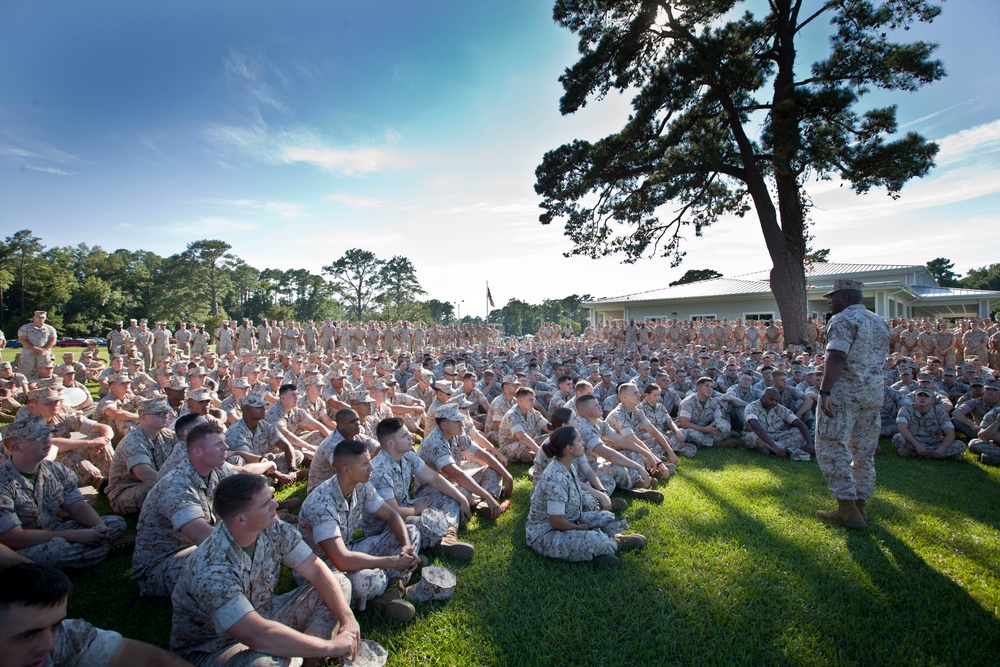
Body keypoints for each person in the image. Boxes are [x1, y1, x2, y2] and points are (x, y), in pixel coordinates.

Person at [169, 473, 361, 666]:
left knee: (338, 582)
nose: (275, 505)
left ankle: (311, 657)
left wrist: (348, 618)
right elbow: (256, 636)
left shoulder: (270, 527)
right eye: (265, 504)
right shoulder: (212, 568)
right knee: (263, 664)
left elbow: (315, 568)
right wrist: (331, 647)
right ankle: (315, 650)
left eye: (272, 498)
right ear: (240, 520)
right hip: (216, 647)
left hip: (263, 614)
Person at [297, 439, 422, 621]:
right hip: (323, 569)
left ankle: (393, 590)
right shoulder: (322, 504)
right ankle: (385, 585)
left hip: (348, 550)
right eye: (365, 464)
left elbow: (392, 515)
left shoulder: (361, 485)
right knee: (369, 580)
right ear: (347, 470)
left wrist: (405, 547)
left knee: (411, 532)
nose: (371, 467)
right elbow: (341, 561)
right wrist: (393, 562)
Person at [0, 563, 191, 666]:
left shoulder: (63, 637)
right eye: (26, 636)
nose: (49, 645)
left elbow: (154, 660)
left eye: (55, 626)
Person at [0, 416, 127, 569]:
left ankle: (91, 549)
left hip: (56, 529)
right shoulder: (3, 482)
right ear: (17, 448)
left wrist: (99, 527)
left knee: (114, 523)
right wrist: (74, 536)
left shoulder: (56, 470)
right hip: (23, 545)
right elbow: (12, 538)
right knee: (57, 552)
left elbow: (78, 506)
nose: (47, 440)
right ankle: (105, 549)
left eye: (47, 434)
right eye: (38, 437)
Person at [815, 280, 891, 528]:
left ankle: (846, 508)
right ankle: (861, 505)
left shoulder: (842, 320)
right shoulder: (879, 321)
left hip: (844, 395)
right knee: (863, 450)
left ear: (845, 297)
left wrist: (825, 391)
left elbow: (836, 355)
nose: (830, 301)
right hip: (871, 394)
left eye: (833, 297)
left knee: (832, 444)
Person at [131, 423, 236, 597]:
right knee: (223, 561)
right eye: (219, 444)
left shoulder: (217, 469)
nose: (226, 447)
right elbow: (201, 536)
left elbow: (244, 499)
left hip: (192, 548)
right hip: (160, 566)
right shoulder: (176, 485)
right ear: (197, 452)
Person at [525, 426, 646, 568]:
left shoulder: (567, 466)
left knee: (607, 517)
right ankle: (608, 544)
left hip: (569, 520)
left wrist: (582, 520)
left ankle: (602, 544)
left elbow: (573, 507)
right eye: (579, 441)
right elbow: (556, 522)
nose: (582, 443)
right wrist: (580, 528)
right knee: (595, 539)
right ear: (569, 448)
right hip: (546, 535)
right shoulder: (555, 479)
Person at [368, 418, 474, 560]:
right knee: (428, 522)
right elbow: (393, 513)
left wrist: (461, 499)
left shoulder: (407, 455)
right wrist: (417, 510)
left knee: (451, 495)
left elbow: (435, 479)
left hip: (406, 507)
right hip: (385, 525)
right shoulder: (380, 471)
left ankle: (448, 535)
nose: (411, 437)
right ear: (390, 443)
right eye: (405, 436)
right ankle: (438, 539)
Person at [105, 397, 177, 514]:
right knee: (153, 490)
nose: (165, 416)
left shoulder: (165, 434)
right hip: (125, 493)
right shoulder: (133, 441)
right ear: (143, 417)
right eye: (159, 413)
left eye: (166, 413)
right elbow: (147, 476)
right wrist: (179, 485)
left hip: (152, 483)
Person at [892, 387, 965, 460]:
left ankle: (914, 453)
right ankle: (943, 456)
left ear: (932, 400)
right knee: (898, 438)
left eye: (926, 396)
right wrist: (917, 446)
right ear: (915, 398)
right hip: (913, 440)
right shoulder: (906, 409)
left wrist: (941, 449)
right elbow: (902, 428)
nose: (922, 398)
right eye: (919, 395)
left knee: (960, 445)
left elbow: (950, 433)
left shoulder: (939, 412)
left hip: (934, 442)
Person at [743, 388, 814, 460]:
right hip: (759, 435)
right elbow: (755, 426)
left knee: (801, 434)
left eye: (776, 401)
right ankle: (781, 449)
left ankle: (769, 449)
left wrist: (810, 443)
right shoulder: (752, 407)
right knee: (753, 437)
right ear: (763, 397)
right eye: (771, 400)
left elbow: (798, 423)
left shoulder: (780, 408)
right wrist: (774, 446)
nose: (774, 402)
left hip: (775, 436)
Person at [16, 311, 57, 379]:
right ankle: (24, 387)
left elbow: (53, 340)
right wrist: (34, 348)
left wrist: (43, 349)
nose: (41, 319)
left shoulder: (50, 329)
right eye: (39, 317)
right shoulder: (25, 327)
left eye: (43, 317)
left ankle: (41, 387)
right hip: (28, 354)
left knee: (44, 372)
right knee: (25, 371)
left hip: (44, 354)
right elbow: (22, 339)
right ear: (34, 317)